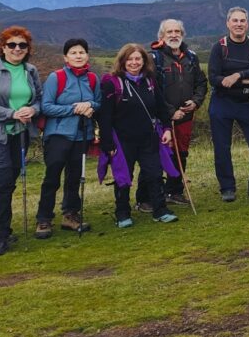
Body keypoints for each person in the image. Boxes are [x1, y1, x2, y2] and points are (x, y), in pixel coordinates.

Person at [98, 43, 178, 227]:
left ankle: (160, 210)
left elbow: (161, 107)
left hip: (149, 138)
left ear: (144, 61)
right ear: (122, 61)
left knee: (155, 174)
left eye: (138, 59)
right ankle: (122, 213)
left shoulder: (150, 81)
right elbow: (105, 116)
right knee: (124, 177)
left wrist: (167, 128)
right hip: (123, 140)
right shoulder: (112, 83)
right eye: (130, 59)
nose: (134, 63)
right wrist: (107, 144)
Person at [0, 27, 44, 256]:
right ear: (3, 47)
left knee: (9, 182)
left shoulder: (31, 71)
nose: (17, 49)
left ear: (28, 49)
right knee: (2, 182)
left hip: (21, 134)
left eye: (22, 45)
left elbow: (38, 99)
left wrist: (32, 109)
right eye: (12, 45)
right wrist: (12, 113)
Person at [35, 38, 100, 239]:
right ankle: (44, 218)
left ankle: (70, 215)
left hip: (82, 134)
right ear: (66, 57)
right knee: (52, 177)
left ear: (87, 55)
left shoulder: (92, 79)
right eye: (73, 53)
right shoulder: (57, 77)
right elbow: (46, 106)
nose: (78, 56)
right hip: (58, 134)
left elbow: (98, 102)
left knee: (74, 176)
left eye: (82, 52)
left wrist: (89, 106)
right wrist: (74, 108)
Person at [208, 7, 249, 201]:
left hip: (247, 102)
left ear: (247, 24)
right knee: (222, 147)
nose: (238, 24)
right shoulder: (219, 47)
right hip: (222, 101)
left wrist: (236, 75)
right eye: (234, 21)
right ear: (228, 24)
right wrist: (243, 80)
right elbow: (213, 78)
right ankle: (227, 188)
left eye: (242, 21)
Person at [148, 19, 207, 207]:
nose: (174, 35)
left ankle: (174, 191)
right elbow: (152, 89)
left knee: (181, 154)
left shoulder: (191, 57)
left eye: (177, 32)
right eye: (169, 32)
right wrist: (170, 112)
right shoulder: (154, 59)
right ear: (161, 37)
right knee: (159, 156)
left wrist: (196, 102)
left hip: (186, 116)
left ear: (182, 35)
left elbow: (201, 83)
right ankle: (151, 196)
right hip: (162, 119)